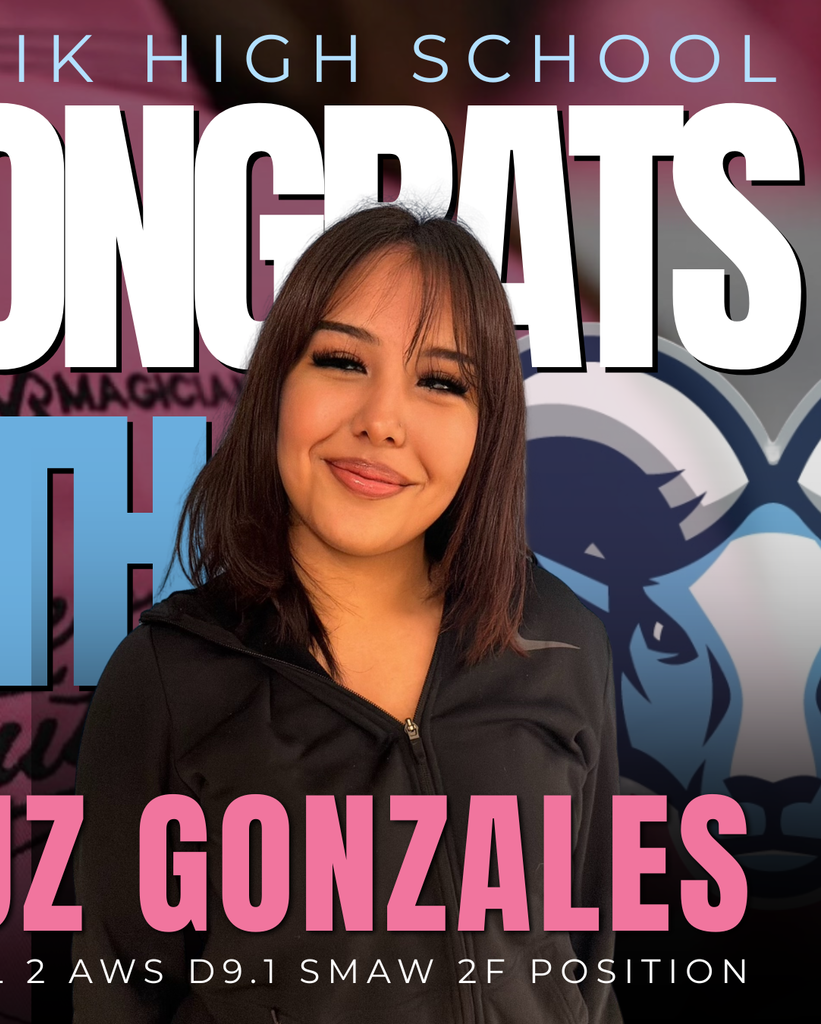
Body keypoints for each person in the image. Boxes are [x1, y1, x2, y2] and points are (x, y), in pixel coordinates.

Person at [72, 205, 621, 1023]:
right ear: (277, 387)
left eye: (441, 381)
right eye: (340, 360)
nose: (382, 422)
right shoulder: (164, 680)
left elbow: (586, 975)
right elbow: (117, 1000)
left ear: (489, 428)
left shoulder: (564, 641)